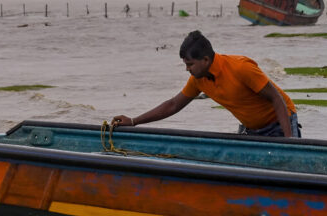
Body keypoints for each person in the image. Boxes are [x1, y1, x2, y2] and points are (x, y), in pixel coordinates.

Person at [113, 30, 301, 137]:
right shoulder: (199, 80)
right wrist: (133, 121)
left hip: (279, 123)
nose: (187, 70)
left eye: (190, 64)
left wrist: (289, 142)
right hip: (251, 128)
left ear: (205, 59)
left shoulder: (240, 68)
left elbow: (277, 99)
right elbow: (172, 105)